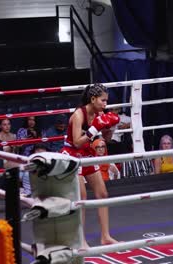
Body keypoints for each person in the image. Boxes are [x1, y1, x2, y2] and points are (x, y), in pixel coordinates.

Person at [60, 83, 119, 246]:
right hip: (72, 155)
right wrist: (94, 129)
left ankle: (105, 236)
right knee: (82, 197)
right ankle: (80, 240)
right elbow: (77, 142)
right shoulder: (79, 115)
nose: (105, 104)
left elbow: (105, 140)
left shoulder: (100, 113)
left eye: (106, 101)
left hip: (87, 154)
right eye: (103, 100)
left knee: (102, 194)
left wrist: (110, 127)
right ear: (93, 99)